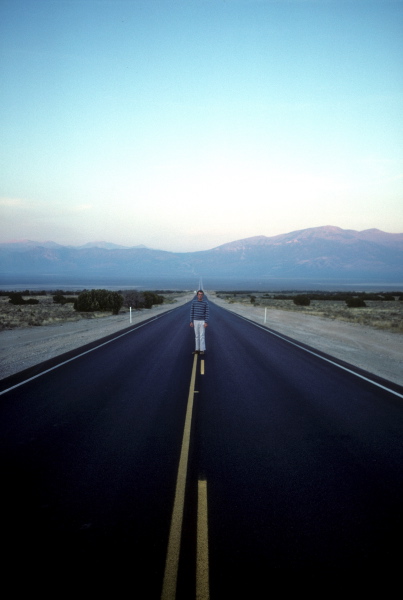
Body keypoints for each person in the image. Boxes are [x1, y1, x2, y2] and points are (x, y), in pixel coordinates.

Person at [190, 290, 209, 355]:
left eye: (201, 294)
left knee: (202, 336)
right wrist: (191, 321)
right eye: (199, 294)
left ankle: (202, 350)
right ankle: (197, 350)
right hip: (195, 321)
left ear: (203, 295)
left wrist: (206, 322)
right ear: (197, 295)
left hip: (202, 321)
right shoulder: (194, 302)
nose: (200, 296)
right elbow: (191, 312)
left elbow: (207, 313)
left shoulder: (205, 303)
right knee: (197, 336)